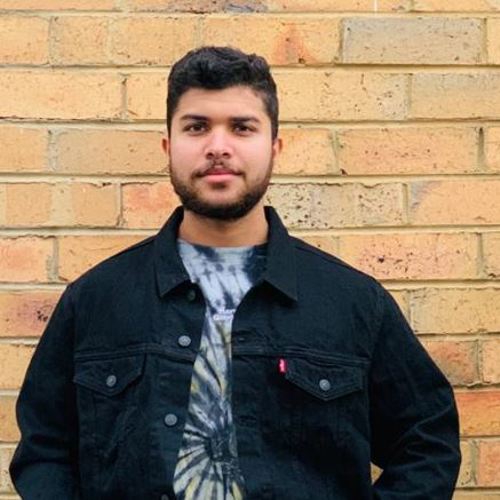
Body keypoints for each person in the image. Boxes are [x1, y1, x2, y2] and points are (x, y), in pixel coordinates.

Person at [10, 46, 461, 499]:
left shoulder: (352, 302)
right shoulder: (96, 300)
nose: (218, 146)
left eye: (242, 127)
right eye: (197, 127)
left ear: (274, 147)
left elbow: (427, 442)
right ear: (169, 145)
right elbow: (45, 449)